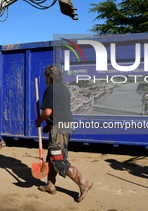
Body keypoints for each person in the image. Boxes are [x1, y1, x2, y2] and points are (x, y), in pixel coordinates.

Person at [35, 65, 93, 202]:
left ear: (48, 77)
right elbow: (59, 110)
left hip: (58, 129)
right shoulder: (64, 88)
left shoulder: (51, 89)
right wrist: (49, 125)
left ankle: (83, 182)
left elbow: (47, 112)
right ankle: (50, 185)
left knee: (58, 160)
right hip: (65, 126)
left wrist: (39, 121)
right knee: (52, 156)